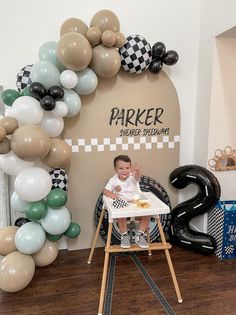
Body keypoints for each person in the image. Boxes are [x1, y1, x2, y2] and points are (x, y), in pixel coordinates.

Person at [103, 155, 150, 249]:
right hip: (123, 204)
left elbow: (137, 178)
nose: (124, 171)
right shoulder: (113, 180)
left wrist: (137, 172)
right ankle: (124, 235)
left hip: (135, 202)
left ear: (130, 168)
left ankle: (140, 235)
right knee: (121, 216)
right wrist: (113, 195)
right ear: (115, 170)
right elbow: (105, 191)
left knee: (147, 214)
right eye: (121, 168)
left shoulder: (132, 176)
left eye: (127, 168)